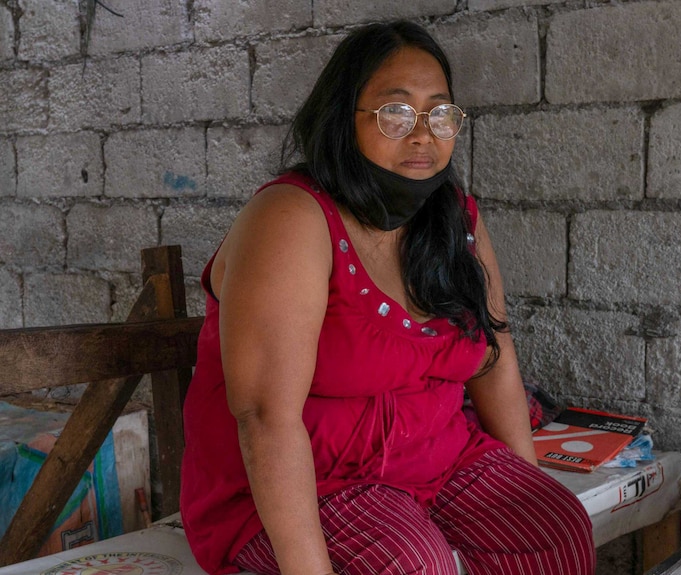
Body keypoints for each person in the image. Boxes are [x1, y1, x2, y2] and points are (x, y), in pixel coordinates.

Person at [179, 20, 596, 575]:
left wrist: (520, 483)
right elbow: (264, 416)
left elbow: (495, 357)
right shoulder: (292, 218)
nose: (423, 134)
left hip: (436, 462)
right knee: (409, 564)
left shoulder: (455, 218)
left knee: (554, 527)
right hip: (307, 486)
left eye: (440, 113)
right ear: (342, 120)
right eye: (396, 112)